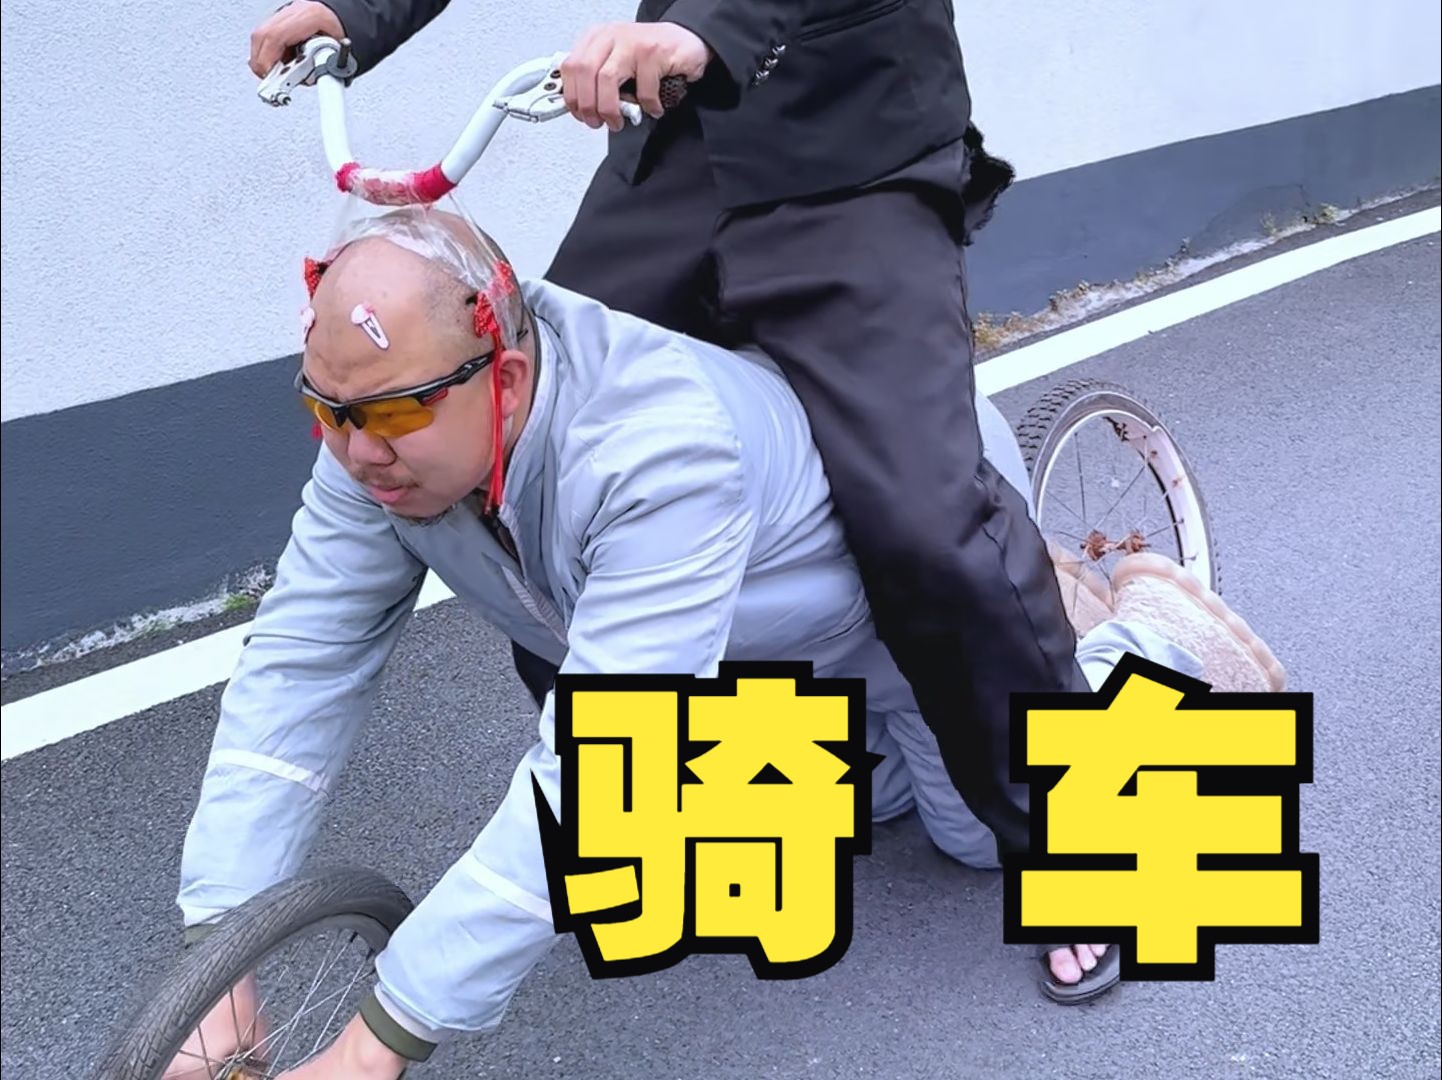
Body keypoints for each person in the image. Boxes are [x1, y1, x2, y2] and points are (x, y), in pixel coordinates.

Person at [168, 207, 1286, 1078]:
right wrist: (220, 960)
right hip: (763, 649)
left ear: (500, 378)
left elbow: (601, 759)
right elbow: (302, 662)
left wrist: (374, 1042)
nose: (357, 450)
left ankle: (1144, 636)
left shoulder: (659, 449)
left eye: (392, 414)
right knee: (853, 814)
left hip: (912, 614)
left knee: (975, 839)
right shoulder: (374, 439)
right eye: (326, 412)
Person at [248, 0, 1100, 996]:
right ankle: (675, 778)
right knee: (533, 451)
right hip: (686, 151)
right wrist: (356, 14)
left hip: (854, 155)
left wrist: (707, 30)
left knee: (923, 526)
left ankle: (1074, 836)